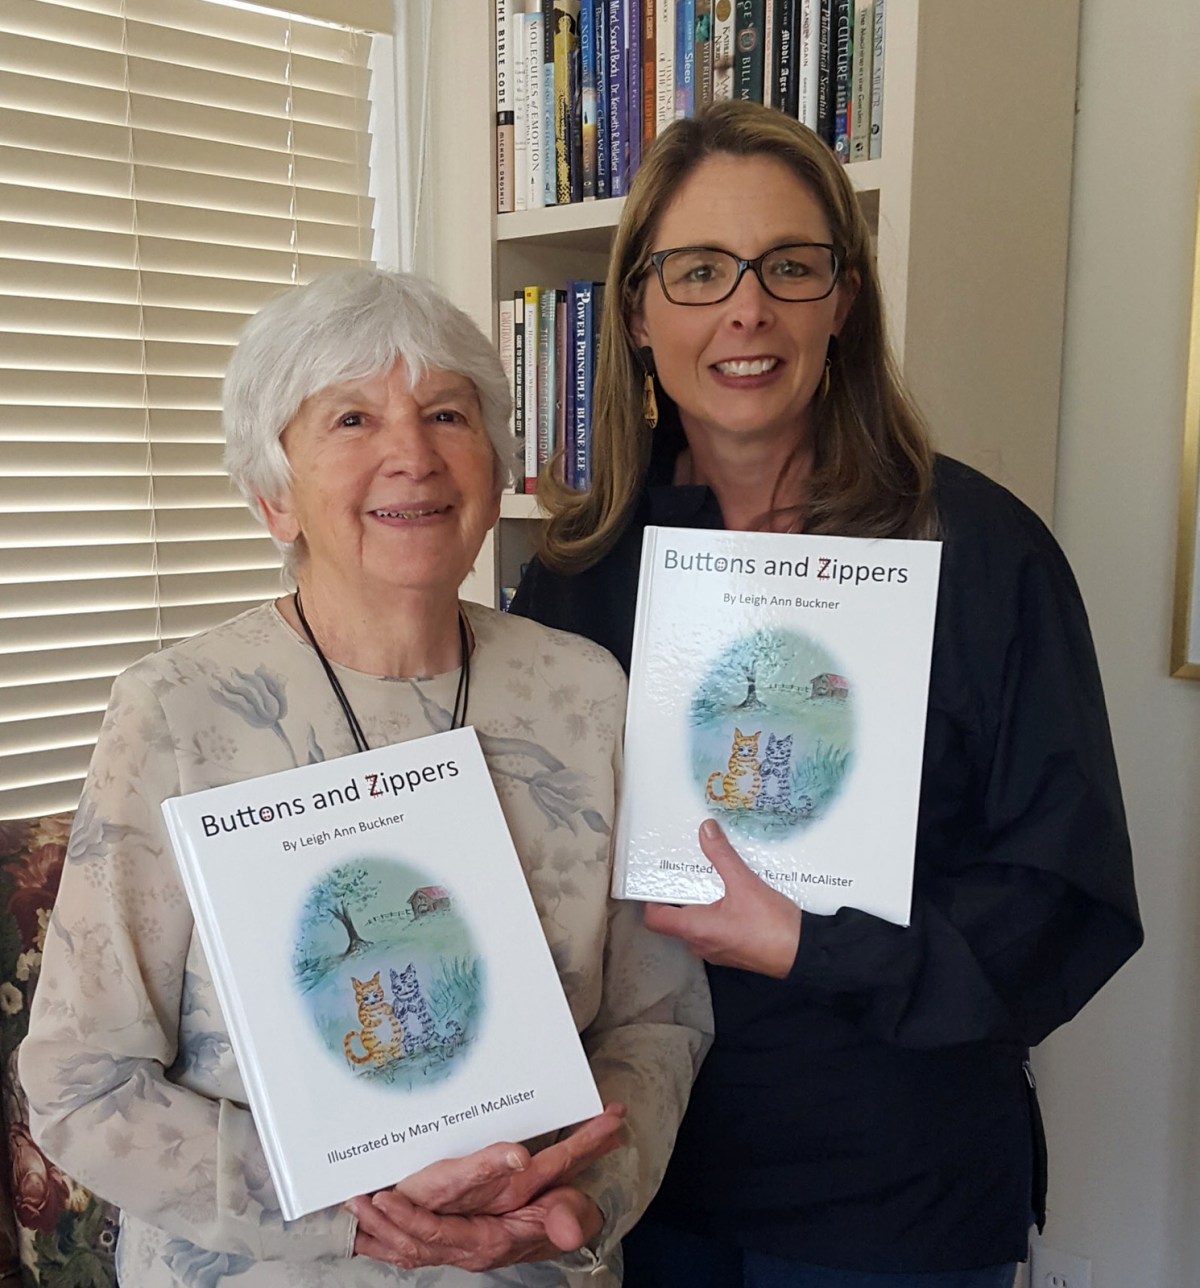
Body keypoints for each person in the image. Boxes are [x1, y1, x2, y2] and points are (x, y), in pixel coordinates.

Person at [512, 100, 1143, 1288]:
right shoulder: (574, 579)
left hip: (895, 1186)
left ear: (843, 301)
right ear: (638, 313)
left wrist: (814, 945)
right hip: (643, 1175)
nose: (746, 308)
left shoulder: (985, 554)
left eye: (789, 266)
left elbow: (1067, 888)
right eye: (699, 270)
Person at [19, 267, 713, 1288]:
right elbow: (82, 1085)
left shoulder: (587, 694)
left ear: (492, 465)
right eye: (351, 418)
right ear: (272, 496)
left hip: (529, 1265)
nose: (413, 454)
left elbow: (658, 1017)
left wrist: (586, 1195)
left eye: (447, 412)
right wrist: (362, 1216)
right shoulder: (176, 712)